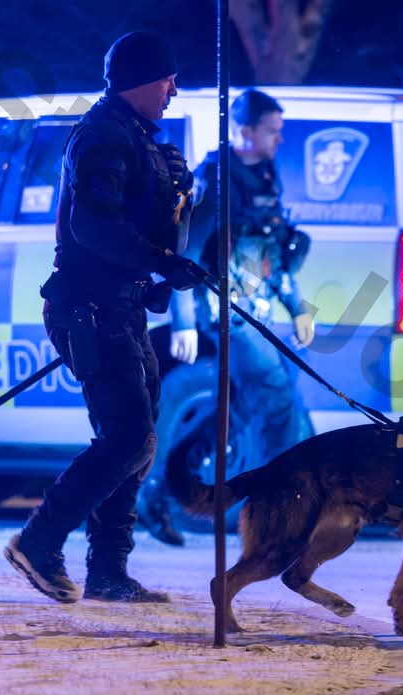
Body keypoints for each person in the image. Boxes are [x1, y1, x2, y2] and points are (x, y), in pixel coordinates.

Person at [4, 31, 206, 603]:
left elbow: (143, 225)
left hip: (120, 306)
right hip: (89, 308)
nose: (174, 91)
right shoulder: (103, 137)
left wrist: (177, 199)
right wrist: (163, 261)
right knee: (125, 438)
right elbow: (91, 228)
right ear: (143, 78)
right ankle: (37, 542)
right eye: (167, 79)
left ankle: (109, 572)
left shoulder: (134, 138)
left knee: (138, 438)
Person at [136, 89, 315, 546]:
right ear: (245, 130)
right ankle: (274, 514)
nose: (279, 139)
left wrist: (296, 308)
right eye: (272, 131)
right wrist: (183, 322)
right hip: (221, 314)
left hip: (252, 310)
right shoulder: (217, 180)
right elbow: (186, 253)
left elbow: (271, 250)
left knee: (239, 409)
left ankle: (157, 490)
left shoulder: (264, 176)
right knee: (276, 400)